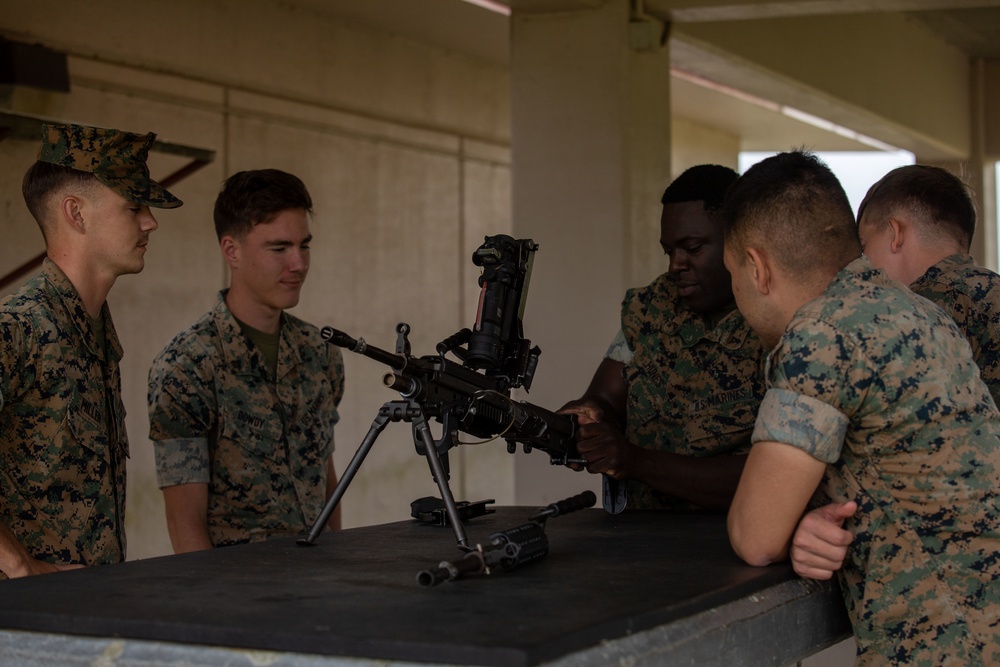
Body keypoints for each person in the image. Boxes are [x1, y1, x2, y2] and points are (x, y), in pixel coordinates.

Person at [723, 150, 1000, 664]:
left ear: (757, 268)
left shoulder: (821, 333)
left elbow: (756, 535)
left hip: (945, 646)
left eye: (732, 274)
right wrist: (800, 524)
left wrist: (784, 526)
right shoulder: (920, 311)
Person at [0, 123, 182, 579]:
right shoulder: (18, 326)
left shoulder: (95, 332)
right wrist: (19, 564)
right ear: (76, 214)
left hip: (87, 607)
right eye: (133, 207)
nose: (150, 222)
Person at [148, 169, 344, 552]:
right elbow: (183, 521)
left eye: (304, 245)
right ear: (231, 251)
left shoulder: (320, 353)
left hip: (319, 587)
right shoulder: (187, 365)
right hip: (240, 594)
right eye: (279, 248)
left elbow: (326, 479)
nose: (299, 263)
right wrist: (217, 608)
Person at [560, 165, 765, 511]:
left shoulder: (775, 323)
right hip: (642, 538)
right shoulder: (652, 308)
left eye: (693, 248)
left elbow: (770, 477)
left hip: (728, 543)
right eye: (669, 251)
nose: (676, 265)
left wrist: (637, 462)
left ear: (740, 241)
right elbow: (605, 400)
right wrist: (587, 421)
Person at [855, 164, 1000, 404]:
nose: (864, 263)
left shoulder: (926, 303)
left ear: (896, 233)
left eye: (864, 245)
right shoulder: (989, 289)